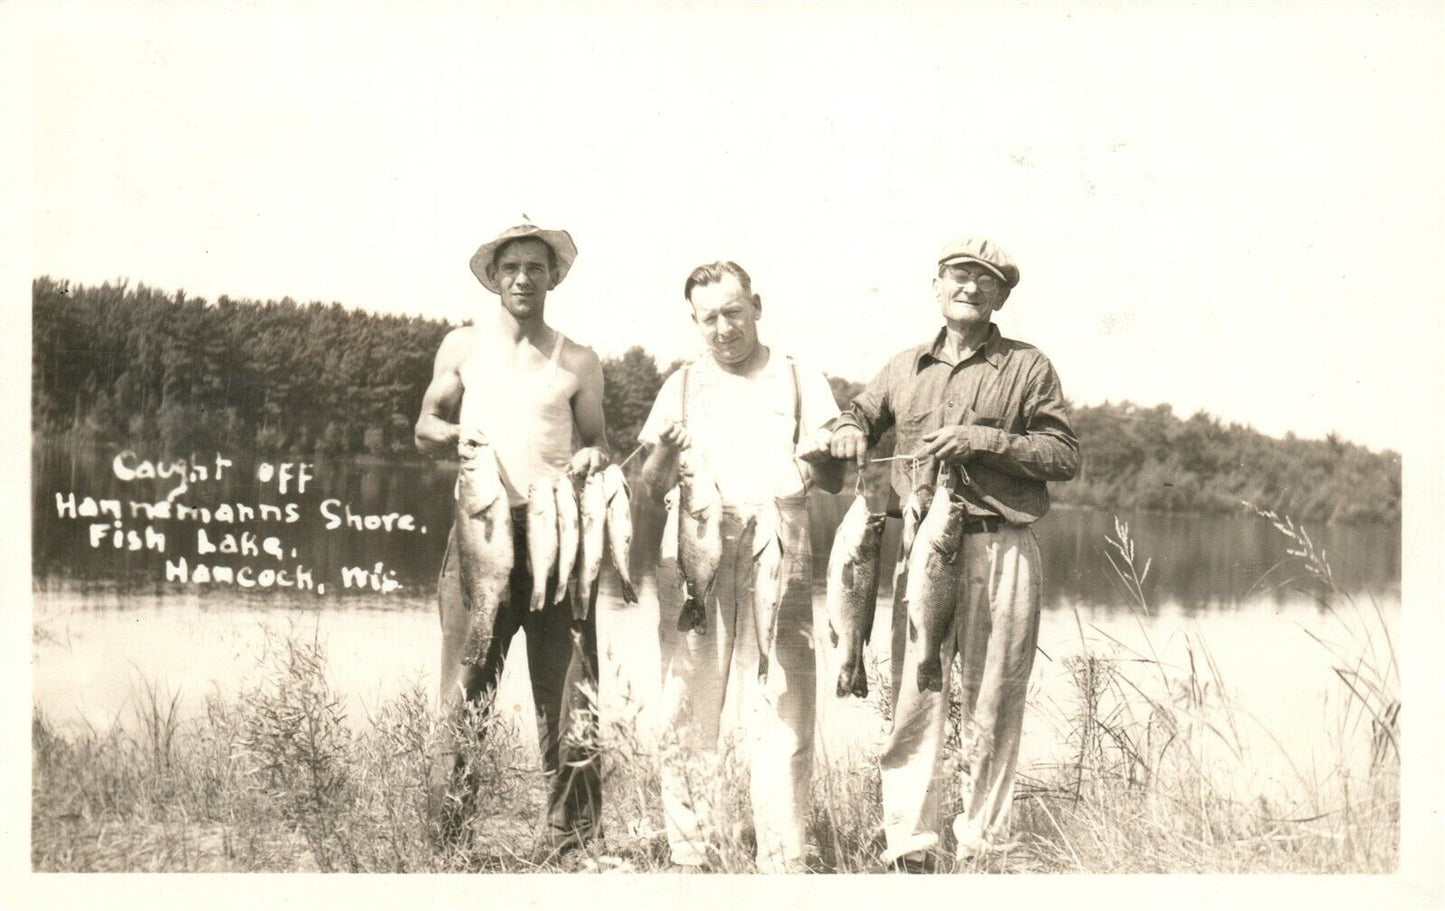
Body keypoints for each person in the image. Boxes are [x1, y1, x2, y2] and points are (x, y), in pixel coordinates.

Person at [827, 237, 1079, 870]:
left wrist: (984, 440)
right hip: (923, 551)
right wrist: (852, 428)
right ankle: (911, 847)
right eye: (958, 276)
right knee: (916, 701)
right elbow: (856, 413)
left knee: (996, 700)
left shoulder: (1028, 367)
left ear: (1001, 296)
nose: (969, 287)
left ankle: (985, 844)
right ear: (937, 287)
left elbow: (1063, 455)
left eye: (984, 280)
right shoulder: (905, 365)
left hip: (1002, 549)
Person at [637, 261, 844, 872]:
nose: (723, 328)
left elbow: (833, 477)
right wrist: (666, 454)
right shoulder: (678, 386)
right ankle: (692, 849)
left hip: (779, 542)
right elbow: (651, 487)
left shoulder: (801, 378)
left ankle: (781, 856)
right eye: (709, 318)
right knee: (684, 702)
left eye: (733, 312)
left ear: (756, 304)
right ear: (694, 321)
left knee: (783, 703)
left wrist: (821, 456)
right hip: (694, 549)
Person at [414, 221, 610, 862]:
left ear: (554, 276)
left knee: (571, 692)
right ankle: (447, 843)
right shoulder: (461, 348)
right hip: (479, 534)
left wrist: (591, 460)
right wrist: (453, 439)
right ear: (494, 278)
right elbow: (425, 426)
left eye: (536, 267)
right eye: (511, 268)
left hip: (558, 541)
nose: (523, 278)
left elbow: (596, 442)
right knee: (465, 687)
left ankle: (572, 846)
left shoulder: (578, 360)